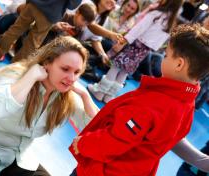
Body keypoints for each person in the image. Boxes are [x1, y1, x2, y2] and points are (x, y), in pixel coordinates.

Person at [69, 23, 209, 176]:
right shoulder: (187, 104)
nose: (164, 58)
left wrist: (84, 144)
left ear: (179, 64)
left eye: (167, 55)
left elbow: (116, 139)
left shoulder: (154, 103)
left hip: (105, 170)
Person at [0, 36, 99, 175]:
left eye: (76, 72)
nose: (71, 79)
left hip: (17, 156)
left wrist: (86, 97)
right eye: (65, 69)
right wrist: (31, 76)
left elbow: (98, 130)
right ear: (47, 63)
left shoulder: (66, 96)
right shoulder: (15, 75)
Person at [88, 0, 183, 103]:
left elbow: (138, 28)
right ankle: (109, 95)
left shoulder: (156, 14)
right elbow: (159, 42)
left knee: (116, 67)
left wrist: (123, 42)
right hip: (144, 50)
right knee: (124, 72)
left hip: (135, 44)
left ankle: (100, 92)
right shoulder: (171, 21)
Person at [0, 0, 82, 63]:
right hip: (50, 14)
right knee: (32, 42)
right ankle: (14, 68)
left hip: (35, 3)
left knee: (15, 29)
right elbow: (72, 5)